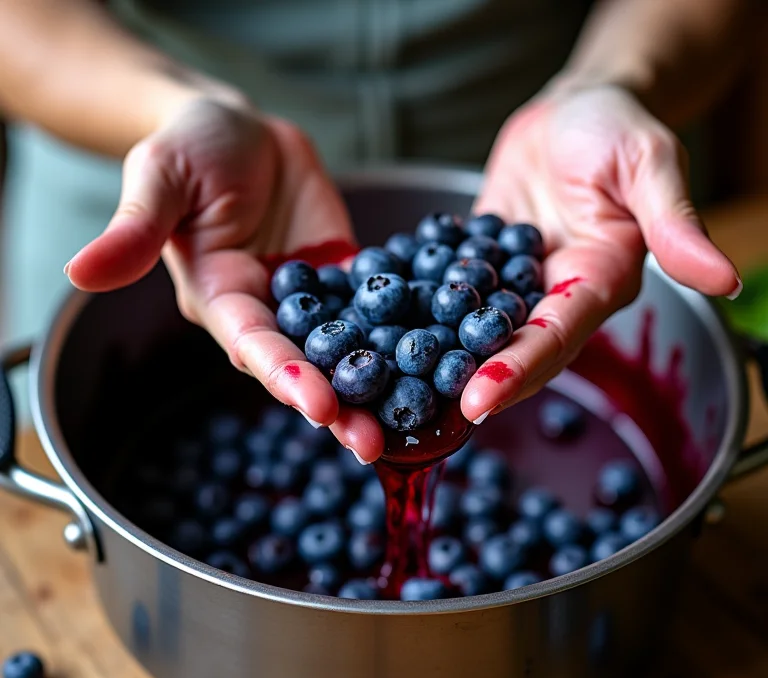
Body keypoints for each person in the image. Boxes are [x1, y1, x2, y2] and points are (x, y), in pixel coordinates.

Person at [0, 0, 758, 462]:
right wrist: (167, 110)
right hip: (154, 148)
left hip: (547, 152)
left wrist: (617, 80)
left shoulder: (477, 276)